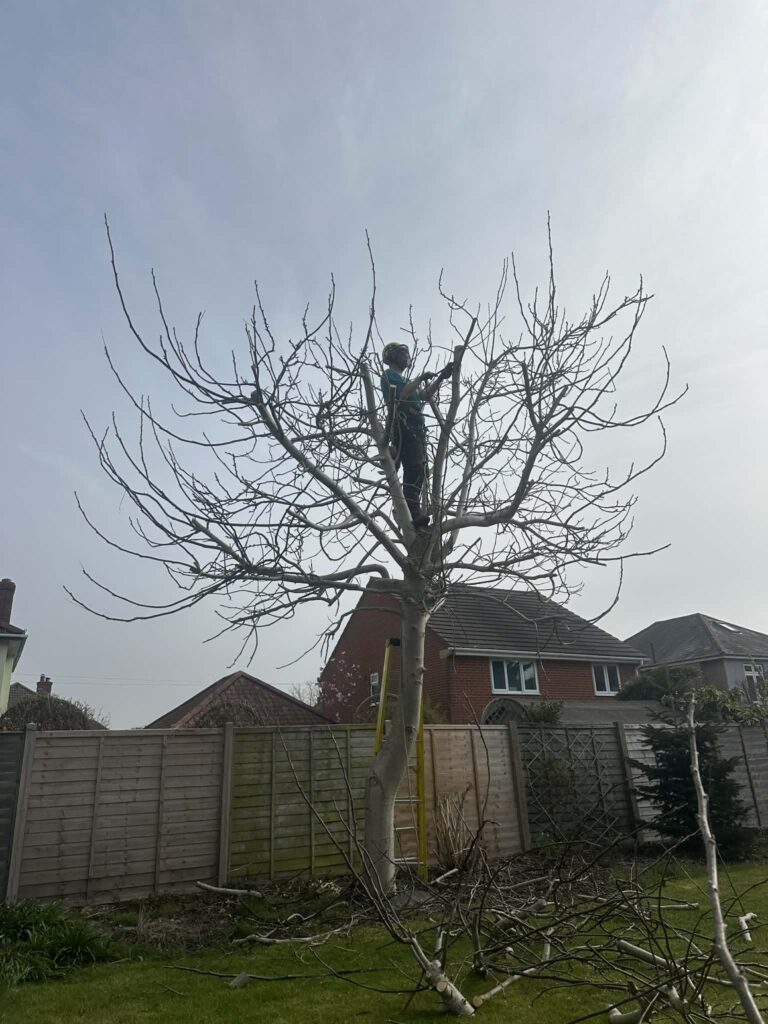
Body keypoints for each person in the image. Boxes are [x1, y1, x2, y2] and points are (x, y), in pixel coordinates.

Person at [380, 342, 454, 529]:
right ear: (393, 357)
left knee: (420, 471)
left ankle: (413, 512)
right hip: (404, 428)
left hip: (416, 431)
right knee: (413, 468)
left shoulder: (406, 380)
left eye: (407, 354)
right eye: (402, 354)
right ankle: (412, 513)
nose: (406, 357)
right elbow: (403, 395)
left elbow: (426, 395)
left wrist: (441, 378)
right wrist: (420, 378)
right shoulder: (389, 376)